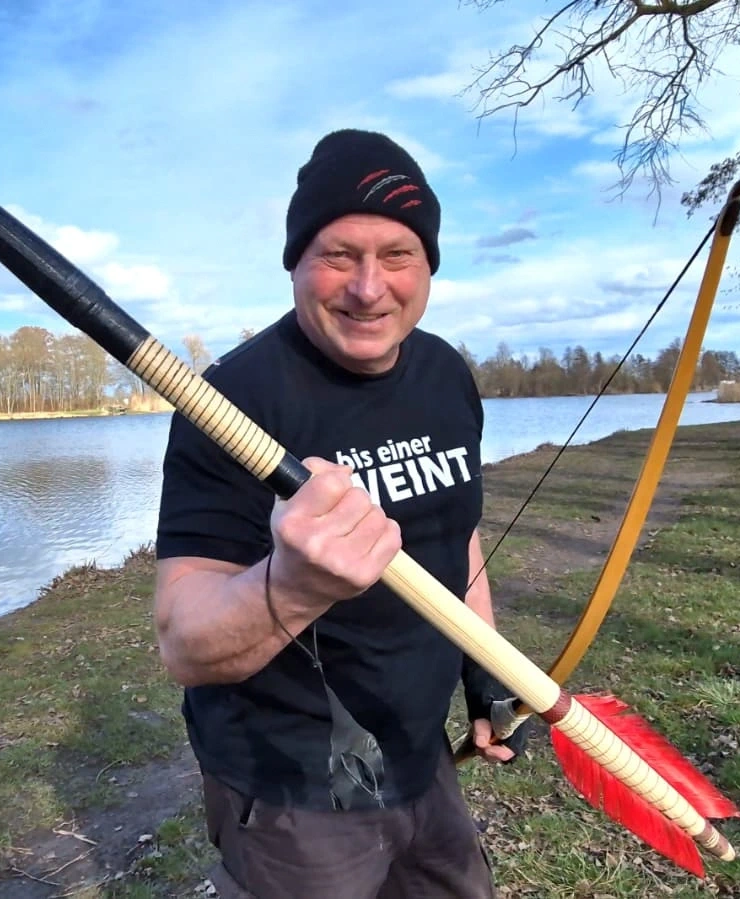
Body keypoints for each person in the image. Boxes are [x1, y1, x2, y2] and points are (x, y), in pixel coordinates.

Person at [153, 128, 529, 899]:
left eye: (397, 254)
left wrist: (486, 665)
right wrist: (294, 585)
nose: (368, 287)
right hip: (293, 790)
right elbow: (184, 641)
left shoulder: (446, 373)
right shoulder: (231, 400)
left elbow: (456, 533)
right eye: (338, 254)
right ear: (296, 261)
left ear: (428, 265)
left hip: (421, 755)